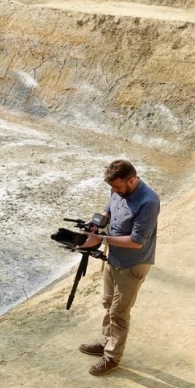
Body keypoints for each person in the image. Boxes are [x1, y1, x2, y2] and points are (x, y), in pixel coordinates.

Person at [78, 159, 160, 376]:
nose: (114, 191)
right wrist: (95, 223)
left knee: (119, 312)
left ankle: (112, 357)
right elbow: (108, 211)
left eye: (117, 187)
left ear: (131, 180)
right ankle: (106, 341)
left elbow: (136, 241)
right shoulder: (118, 191)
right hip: (114, 258)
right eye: (112, 187)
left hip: (134, 263)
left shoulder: (148, 202)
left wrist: (100, 238)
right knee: (108, 303)